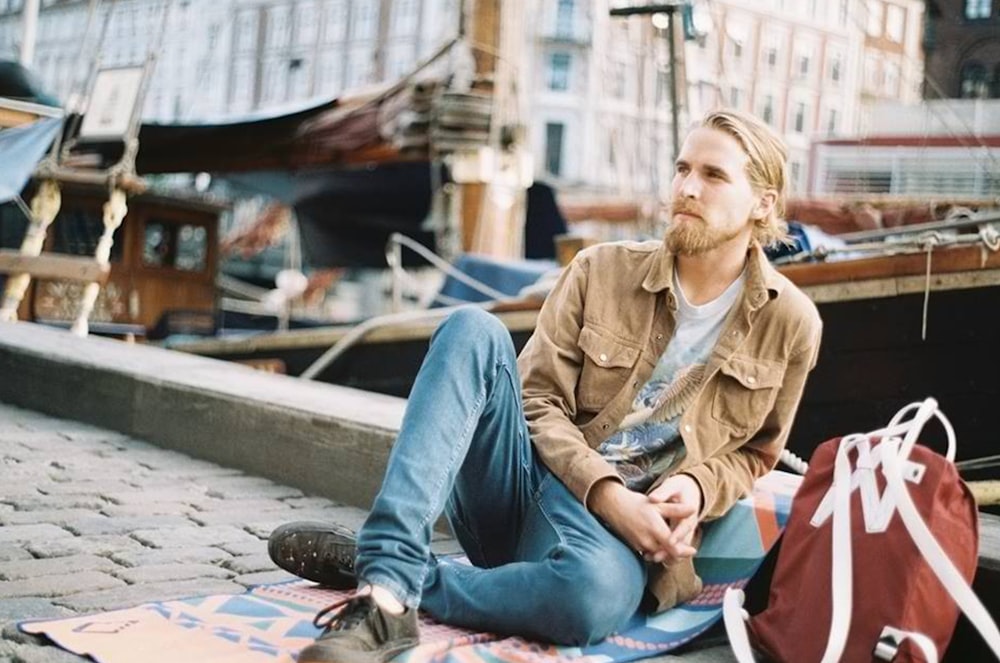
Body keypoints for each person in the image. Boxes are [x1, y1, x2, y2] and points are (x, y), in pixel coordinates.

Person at [267, 108, 823, 663]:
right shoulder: (599, 270)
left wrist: (698, 487)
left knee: (590, 603)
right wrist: (605, 492)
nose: (686, 188)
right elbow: (535, 401)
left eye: (713, 175)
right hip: (526, 487)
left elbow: (754, 453)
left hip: (622, 541)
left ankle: (396, 571)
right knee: (471, 329)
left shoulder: (791, 324)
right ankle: (384, 594)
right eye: (682, 169)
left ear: (763, 203)